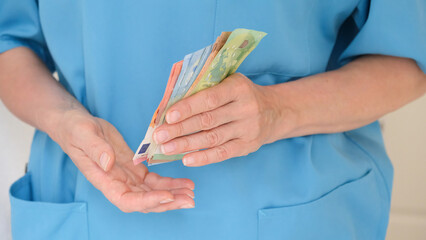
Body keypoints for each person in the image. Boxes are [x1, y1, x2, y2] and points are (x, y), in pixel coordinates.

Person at [0, 0, 425, 239]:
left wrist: (279, 111)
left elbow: (408, 56)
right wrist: (64, 119)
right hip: (90, 205)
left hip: (295, 208)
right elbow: (9, 38)